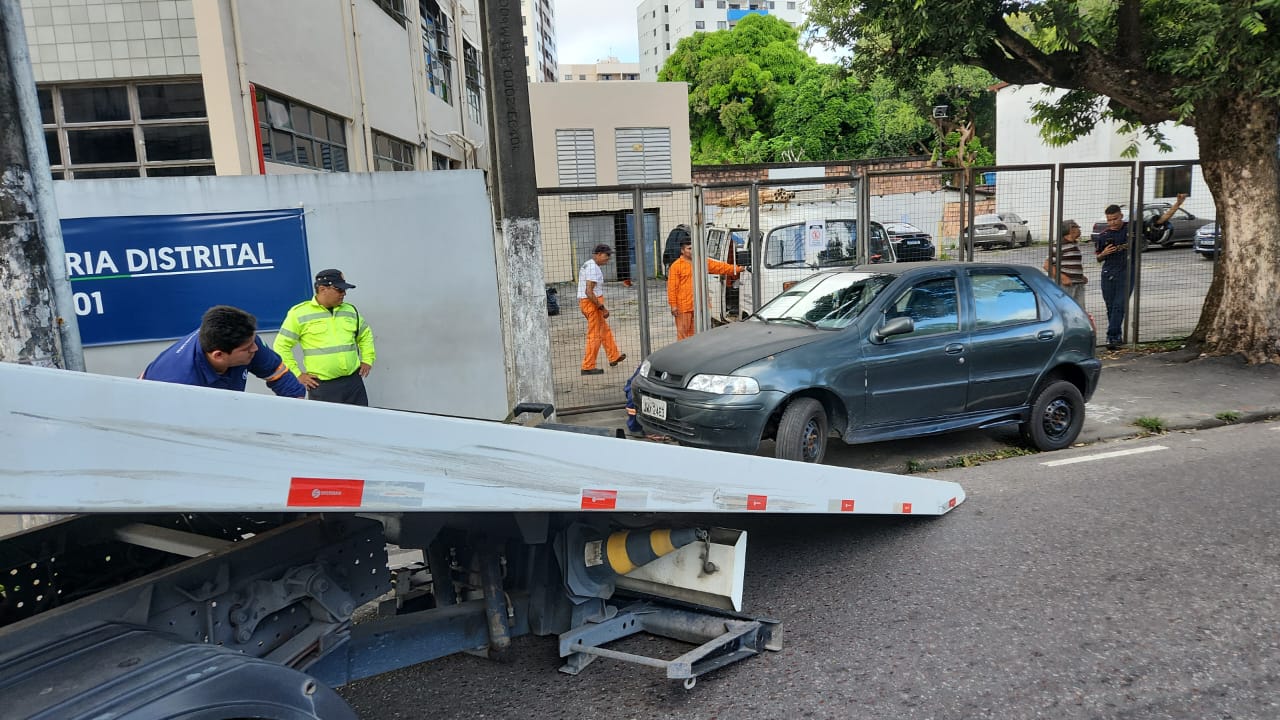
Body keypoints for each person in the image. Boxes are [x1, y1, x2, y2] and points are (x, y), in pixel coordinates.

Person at [141, 305, 305, 398]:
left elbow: (278, 373)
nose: (255, 349)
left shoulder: (243, 339)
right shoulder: (177, 383)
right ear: (218, 355)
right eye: (248, 348)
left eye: (254, 341)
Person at [1095, 193, 1186, 350]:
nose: (1112, 222)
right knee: (1110, 306)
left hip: (1127, 272)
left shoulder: (1133, 227)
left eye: (1115, 219)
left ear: (1121, 216)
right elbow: (1098, 257)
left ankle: (1111, 336)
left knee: (1119, 305)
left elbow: (1161, 220)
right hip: (1108, 273)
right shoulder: (1103, 235)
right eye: (1109, 220)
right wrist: (1104, 253)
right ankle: (1115, 336)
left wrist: (1177, 204)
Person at [273, 268, 376, 405]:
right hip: (323, 388)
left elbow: (365, 335)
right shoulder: (299, 313)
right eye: (339, 290)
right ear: (322, 289)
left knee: (361, 422)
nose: (344, 294)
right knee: (329, 425)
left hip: (353, 382)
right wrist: (297, 374)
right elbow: (281, 346)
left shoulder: (350, 310)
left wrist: (368, 359)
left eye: (345, 290)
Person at [667, 236, 741, 340]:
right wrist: (673, 305)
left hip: (700, 305)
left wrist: (737, 269)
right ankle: (683, 354)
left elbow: (720, 267)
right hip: (683, 307)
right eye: (689, 248)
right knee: (683, 334)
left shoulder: (702, 262)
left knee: (698, 333)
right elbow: (672, 287)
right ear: (682, 250)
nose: (692, 251)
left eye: (694, 248)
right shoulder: (676, 266)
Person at [577, 244, 625, 375]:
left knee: (604, 331)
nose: (608, 258)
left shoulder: (590, 265)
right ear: (598, 254)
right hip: (592, 304)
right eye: (606, 255)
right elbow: (589, 291)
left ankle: (614, 356)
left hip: (589, 303)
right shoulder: (593, 268)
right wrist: (602, 308)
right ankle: (588, 366)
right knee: (595, 335)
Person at [1044, 219, 1087, 304]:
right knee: (1068, 310)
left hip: (1078, 284)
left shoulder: (1074, 245)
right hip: (1066, 286)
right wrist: (1063, 278)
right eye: (1077, 227)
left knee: (1079, 311)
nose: (1080, 230)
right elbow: (1047, 265)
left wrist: (1080, 277)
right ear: (1071, 229)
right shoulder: (1059, 246)